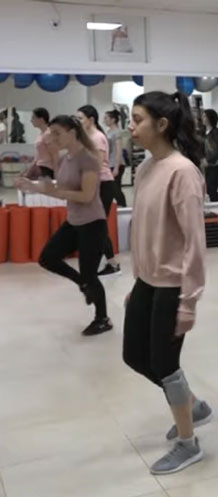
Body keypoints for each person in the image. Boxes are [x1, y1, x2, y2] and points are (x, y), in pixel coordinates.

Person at [124, 91, 213, 475]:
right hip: (148, 280)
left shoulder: (182, 172)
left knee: (164, 364)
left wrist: (189, 301)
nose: (131, 127)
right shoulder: (146, 168)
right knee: (134, 356)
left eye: (137, 120)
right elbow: (143, 231)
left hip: (174, 284)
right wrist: (138, 281)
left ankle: (188, 444)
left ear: (161, 125)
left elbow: (195, 242)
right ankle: (193, 406)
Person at [15, 115, 112, 336]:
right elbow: (58, 189)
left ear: (73, 133)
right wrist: (33, 186)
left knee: (90, 274)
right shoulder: (65, 158)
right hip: (73, 221)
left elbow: (87, 196)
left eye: (57, 133)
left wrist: (55, 192)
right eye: (52, 133)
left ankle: (102, 319)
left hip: (92, 223)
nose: (53, 138)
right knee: (47, 258)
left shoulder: (88, 159)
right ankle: (83, 284)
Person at [76, 105, 121, 276]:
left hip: (103, 184)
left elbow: (97, 163)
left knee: (98, 226)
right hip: (95, 184)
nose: (78, 122)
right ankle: (110, 263)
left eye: (80, 118)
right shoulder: (87, 137)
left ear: (91, 120)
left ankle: (111, 264)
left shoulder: (98, 137)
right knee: (95, 226)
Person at [22, 107, 60, 179]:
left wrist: (56, 173)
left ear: (41, 119)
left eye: (33, 118)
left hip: (47, 169)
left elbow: (55, 154)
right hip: (40, 167)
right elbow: (38, 156)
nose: (31, 120)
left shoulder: (48, 134)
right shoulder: (41, 134)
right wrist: (28, 172)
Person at [104, 110, 128, 207]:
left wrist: (117, 167)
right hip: (110, 163)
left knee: (115, 188)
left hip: (116, 163)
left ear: (113, 120)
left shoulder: (117, 132)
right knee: (110, 188)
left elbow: (119, 150)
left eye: (106, 118)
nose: (104, 120)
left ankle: (122, 205)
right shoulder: (108, 132)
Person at [202, 109, 218, 202]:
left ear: (209, 118)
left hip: (216, 166)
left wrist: (208, 160)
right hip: (208, 166)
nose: (202, 118)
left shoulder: (217, 133)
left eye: (204, 116)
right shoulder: (205, 132)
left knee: (211, 190)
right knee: (208, 190)